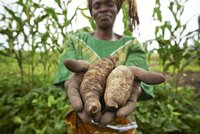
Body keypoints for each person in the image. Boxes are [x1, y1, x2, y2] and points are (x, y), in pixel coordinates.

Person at [54, 0, 164, 133]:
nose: (103, 9)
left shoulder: (131, 44)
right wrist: (72, 81)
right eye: (97, 5)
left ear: (117, 9)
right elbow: (66, 75)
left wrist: (132, 84)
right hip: (82, 122)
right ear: (91, 11)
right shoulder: (76, 40)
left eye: (110, 4)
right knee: (90, 102)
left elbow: (135, 80)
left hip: (120, 123)